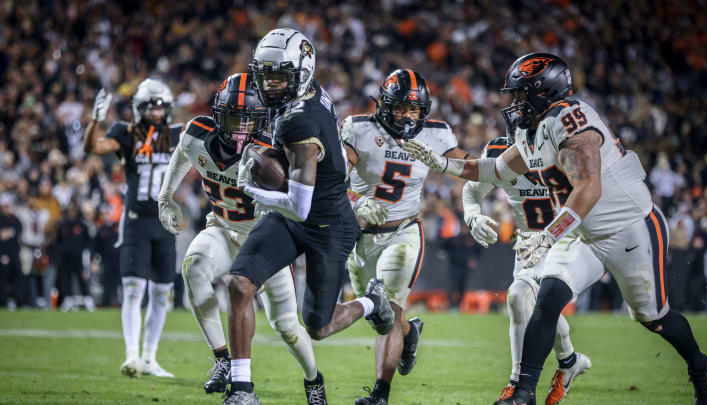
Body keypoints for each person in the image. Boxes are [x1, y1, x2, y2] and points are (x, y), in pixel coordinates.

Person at [402, 53, 707, 405]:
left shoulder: (572, 120)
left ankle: (699, 369)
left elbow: (589, 189)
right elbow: (495, 169)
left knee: (653, 317)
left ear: (544, 91)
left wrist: (548, 234)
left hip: (629, 227)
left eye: (521, 95)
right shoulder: (533, 128)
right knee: (547, 297)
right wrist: (443, 164)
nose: (515, 104)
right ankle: (523, 393)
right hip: (583, 232)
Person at [223, 28, 393, 405]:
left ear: (300, 71)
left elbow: (299, 205)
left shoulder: (299, 118)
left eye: (279, 76)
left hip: (327, 224)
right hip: (295, 214)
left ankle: (371, 303)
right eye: (265, 75)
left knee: (318, 326)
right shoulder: (301, 92)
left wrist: (251, 186)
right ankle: (241, 390)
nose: (269, 85)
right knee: (239, 285)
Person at [158, 72, 325, 403]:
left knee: (287, 328)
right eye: (234, 118)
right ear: (219, 114)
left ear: (261, 120)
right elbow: (182, 151)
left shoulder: (273, 152)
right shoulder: (196, 134)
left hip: (264, 239)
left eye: (249, 120)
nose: (240, 128)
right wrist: (166, 196)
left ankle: (313, 379)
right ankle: (222, 358)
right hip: (222, 226)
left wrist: (273, 201)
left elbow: (301, 201)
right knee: (193, 267)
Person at [341, 68, 472, 405]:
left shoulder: (437, 134)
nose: (408, 116)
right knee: (382, 319)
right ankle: (410, 333)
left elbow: (469, 167)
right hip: (361, 238)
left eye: (414, 110)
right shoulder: (359, 129)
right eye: (401, 108)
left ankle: (380, 395)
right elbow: (334, 180)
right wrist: (357, 200)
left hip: (403, 232)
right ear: (384, 105)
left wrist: (501, 174)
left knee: (391, 312)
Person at [462, 136, 593, 404]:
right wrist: (472, 216)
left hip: (564, 240)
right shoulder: (500, 150)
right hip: (527, 245)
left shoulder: (565, 147)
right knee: (534, 304)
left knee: (520, 296)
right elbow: (471, 190)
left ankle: (518, 384)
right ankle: (568, 361)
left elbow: (592, 194)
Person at [83, 78, 183, 378]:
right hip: (137, 221)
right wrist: (95, 121)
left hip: (165, 222)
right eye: (150, 106)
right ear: (139, 108)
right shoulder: (125, 133)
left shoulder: (178, 134)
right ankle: (132, 355)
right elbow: (93, 146)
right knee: (133, 289)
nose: (155, 111)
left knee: (162, 292)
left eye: (160, 106)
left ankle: (150, 357)